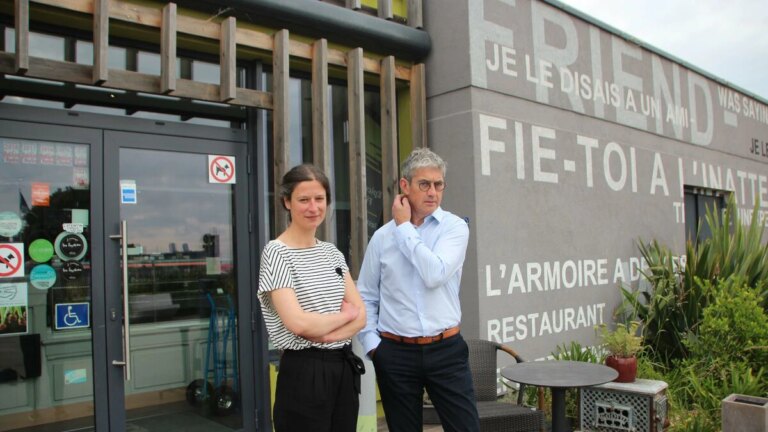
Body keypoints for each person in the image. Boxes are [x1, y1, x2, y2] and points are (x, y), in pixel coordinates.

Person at [357, 148, 480, 432]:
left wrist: (403, 228)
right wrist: (374, 347)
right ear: (405, 185)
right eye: (424, 184)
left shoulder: (454, 228)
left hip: (446, 350)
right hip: (394, 353)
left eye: (438, 184)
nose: (433, 192)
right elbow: (366, 295)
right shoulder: (381, 238)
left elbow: (434, 273)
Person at [258, 164, 366, 432]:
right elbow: (298, 323)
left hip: (343, 366)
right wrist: (344, 316)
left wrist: (328, 335)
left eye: (319, 199)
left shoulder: (332, 253)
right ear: (287, 202)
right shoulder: (276, 253)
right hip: (304, 370)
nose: (313, 207)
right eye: (303, 200)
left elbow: (361, 315)